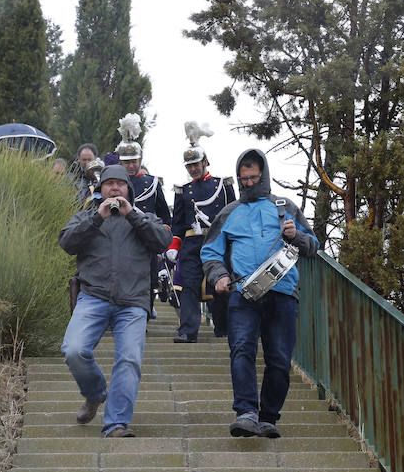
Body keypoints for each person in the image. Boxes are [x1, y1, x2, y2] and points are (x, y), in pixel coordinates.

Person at [201, 148, 318, 439]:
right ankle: (246, 413)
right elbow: (210, 252)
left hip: (283, 293)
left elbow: (314, 246)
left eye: (253, 177)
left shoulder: (286, 207)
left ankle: (268, 417)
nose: (248, 183)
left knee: (279, 358)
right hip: (242, 294)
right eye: (244, 178)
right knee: (241, 349)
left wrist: (297, 236)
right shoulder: (229, 213)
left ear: (263, 174)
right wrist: (219, 276)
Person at [59, 165, 172, 438]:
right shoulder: (87, 216)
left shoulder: (143, 217)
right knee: (73, 350)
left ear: (128, 191)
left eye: (119, 184)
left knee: (129, 359)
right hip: (93, 297)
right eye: (108, 184)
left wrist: (132, 216)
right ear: (100, 190)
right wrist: (96, 218)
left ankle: (116, 423)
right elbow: (67, 243)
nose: (114, 188)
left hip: (133, 302)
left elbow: (163, 241)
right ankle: (96, 393)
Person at [167, 121, 236, 343]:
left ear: (205, 161)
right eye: (189, 166)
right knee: (189, 286)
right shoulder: (182, 191)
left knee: (221, 284)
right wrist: (174, 246)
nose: (193, 169)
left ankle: (224, 328)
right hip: (192, 244)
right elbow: (177, 224)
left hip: (217, 241)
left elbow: (233, 217)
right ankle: (188, 331)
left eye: (196, 164)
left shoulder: (222, 185)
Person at [115, 113, 172, 319]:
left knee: (148, 278)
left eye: (134, 161)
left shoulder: (153, 183)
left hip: (146, 237)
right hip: (121, 237)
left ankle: (145, 314)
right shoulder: (113, 183)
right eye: (126, 161)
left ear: (140, 159)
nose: (130, 165)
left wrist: (165, 239)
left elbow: (165, 215)